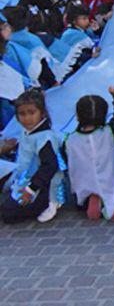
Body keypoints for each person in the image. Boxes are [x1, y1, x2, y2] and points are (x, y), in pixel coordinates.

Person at [1, 89, 66, 224]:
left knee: (8, 212)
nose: (27, 118)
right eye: (22, 114)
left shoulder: (45, 137)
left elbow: (49, 167)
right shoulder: (27, 132)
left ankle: (48, 203)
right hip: (25, 177)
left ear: (42, 114)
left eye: (31, 113)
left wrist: (31, 189)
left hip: (41, 185)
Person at [65, 95, 114, 220]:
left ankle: (92, 198)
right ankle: (110, 204)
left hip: (82, 186)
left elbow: (67, 160)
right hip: (109, 182)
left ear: (78, 116)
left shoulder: (70, 139)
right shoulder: (109, 132)